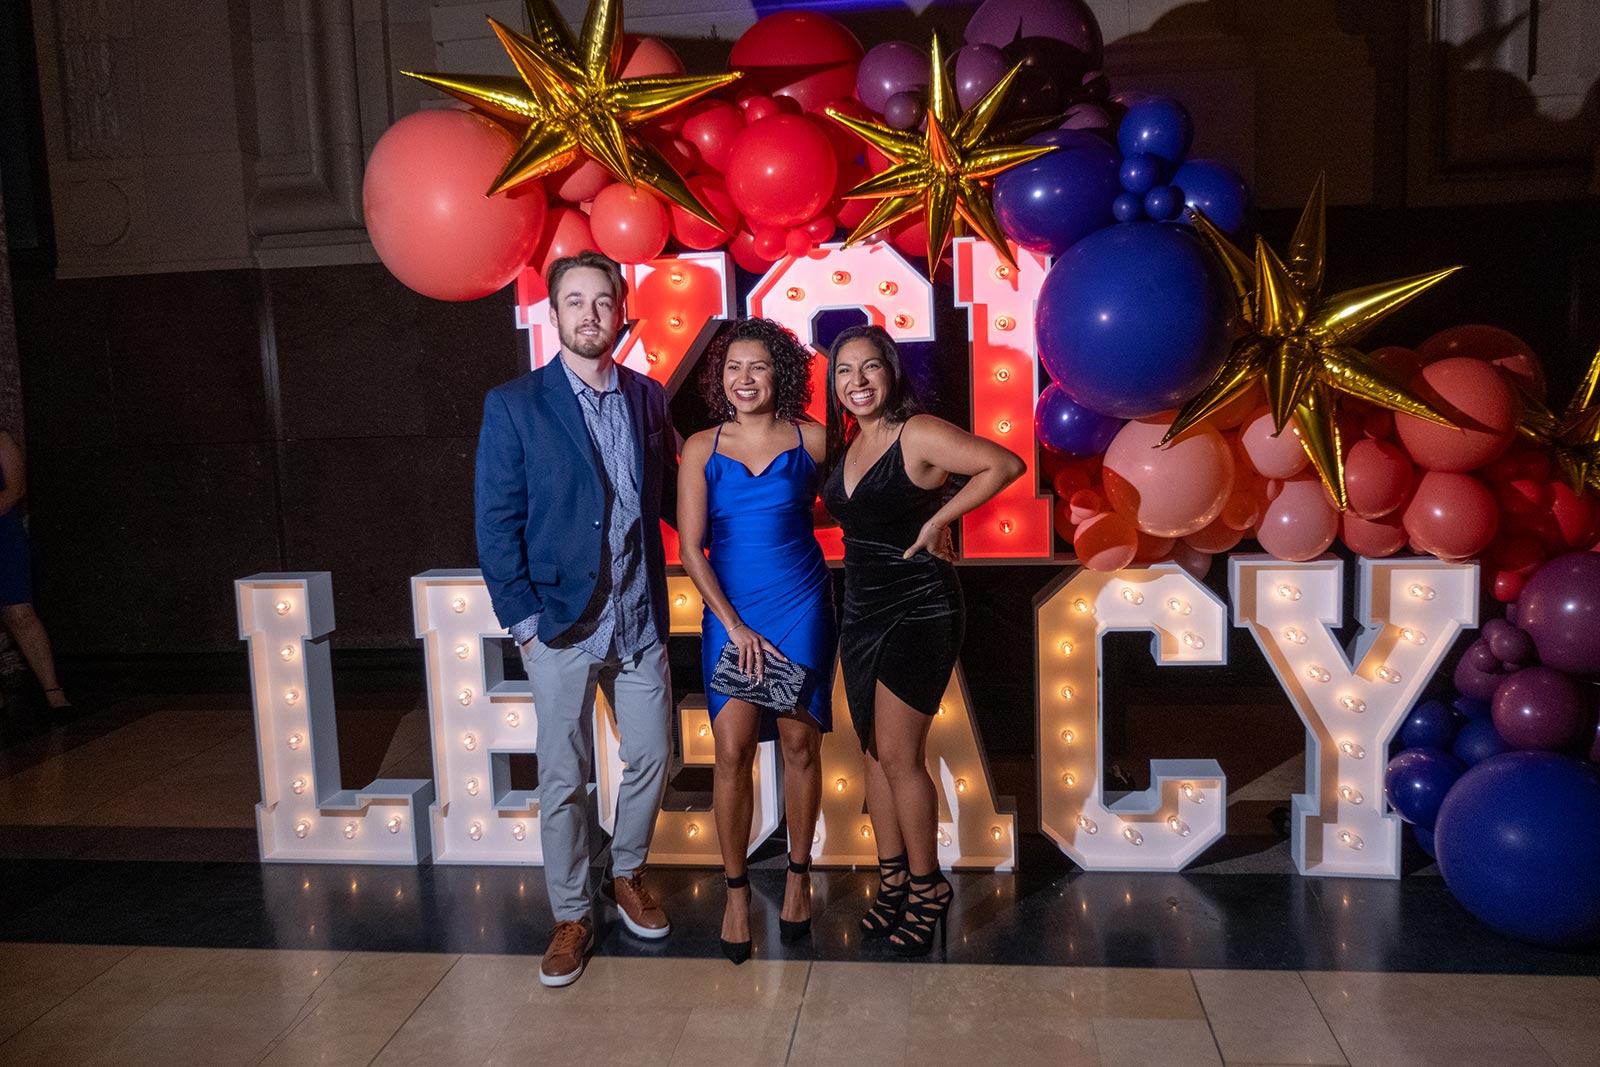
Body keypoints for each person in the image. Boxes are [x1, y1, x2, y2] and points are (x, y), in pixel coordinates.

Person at [474, 250, 679, 988]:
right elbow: (496, 523)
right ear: (553, 313)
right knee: (564, 777)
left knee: (654, 754)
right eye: (575, 302)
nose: (590, 314)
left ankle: (624, 872)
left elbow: (675, 496)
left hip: (637, 618)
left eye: (603, 302)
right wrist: (523, 622)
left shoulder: (651, 399)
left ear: (620, 311)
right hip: (559, 620)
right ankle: (571, 912)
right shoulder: (515, 403)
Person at [820, 324, 1024, 956]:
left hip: (918, 605)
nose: (857, 382)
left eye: (870, 368)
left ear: (892, 374)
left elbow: (1005, 462)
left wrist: (940, 519)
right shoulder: (849, 444)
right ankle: (893, 881)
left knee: (901, 756)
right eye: (845, 371)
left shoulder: (919, 432)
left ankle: (928, 887)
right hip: (860, 609)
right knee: (872, 753)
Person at [676, 319, 836, 964]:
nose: (744, 380)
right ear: (721, 378)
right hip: (730, 612)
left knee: (799, 746)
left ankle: (799, 878)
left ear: (782, 375)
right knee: (733, 750)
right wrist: (734, 625)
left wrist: (930, 526)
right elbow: (691, 548)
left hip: (802, 605)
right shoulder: (700, 446)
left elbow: (865, 501)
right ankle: (737, 891)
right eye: (733, 368)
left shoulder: (817, 441)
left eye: (759, 367)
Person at [0, 429, 71, 714]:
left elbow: (15, 489)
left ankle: (53, 692)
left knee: (20, 613)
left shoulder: (1, 439)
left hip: (3, 535)